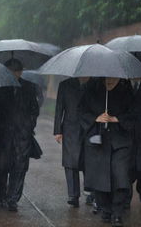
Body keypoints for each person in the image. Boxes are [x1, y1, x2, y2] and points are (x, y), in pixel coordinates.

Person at [79, 78, 134, 227]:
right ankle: (106, 210)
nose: (110, 81)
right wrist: (95, 118)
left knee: (121, 176)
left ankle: (117, 212)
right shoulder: (91, 88)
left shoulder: (127, 90)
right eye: (107, 78)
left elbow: (134, 113)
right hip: (99, 141)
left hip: (121, 142)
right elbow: (81, 111)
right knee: (100, 177)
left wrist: (117, 119)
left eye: (113, 78)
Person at [0, 58, 39, 212]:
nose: (14, 74)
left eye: (17, 71)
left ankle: (13, 199)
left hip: (23, 136)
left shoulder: (28, 87)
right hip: (3, 136)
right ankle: (1, 194)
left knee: (20, 167)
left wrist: (29, 125)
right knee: (2, 166)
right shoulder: (0, 87)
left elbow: (34, 109)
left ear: (21, 72)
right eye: (10, 71)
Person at [54, 77, 91, 208]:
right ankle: (73, 195)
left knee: (89, 160)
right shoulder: (65, 84)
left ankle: (90, 192)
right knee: (70, 162)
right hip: (70, 128)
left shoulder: (96, 83)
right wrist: (57, 130)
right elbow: (59, 107)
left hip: (90, 128)